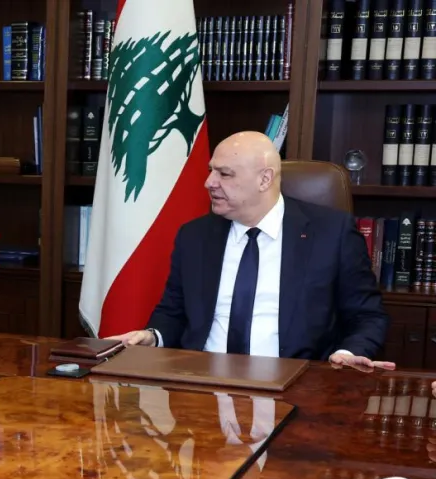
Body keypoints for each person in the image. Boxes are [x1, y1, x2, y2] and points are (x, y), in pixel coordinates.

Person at [113, 131, 391, 370]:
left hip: (297, 386)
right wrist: (153, 336)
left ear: (264, 179)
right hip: (201, 384)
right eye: (211, 170)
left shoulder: (331, 234)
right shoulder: (195, 236)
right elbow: (174, 312)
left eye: (224, 174)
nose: (209, 182)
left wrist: (346, 355)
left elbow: (367, 316)